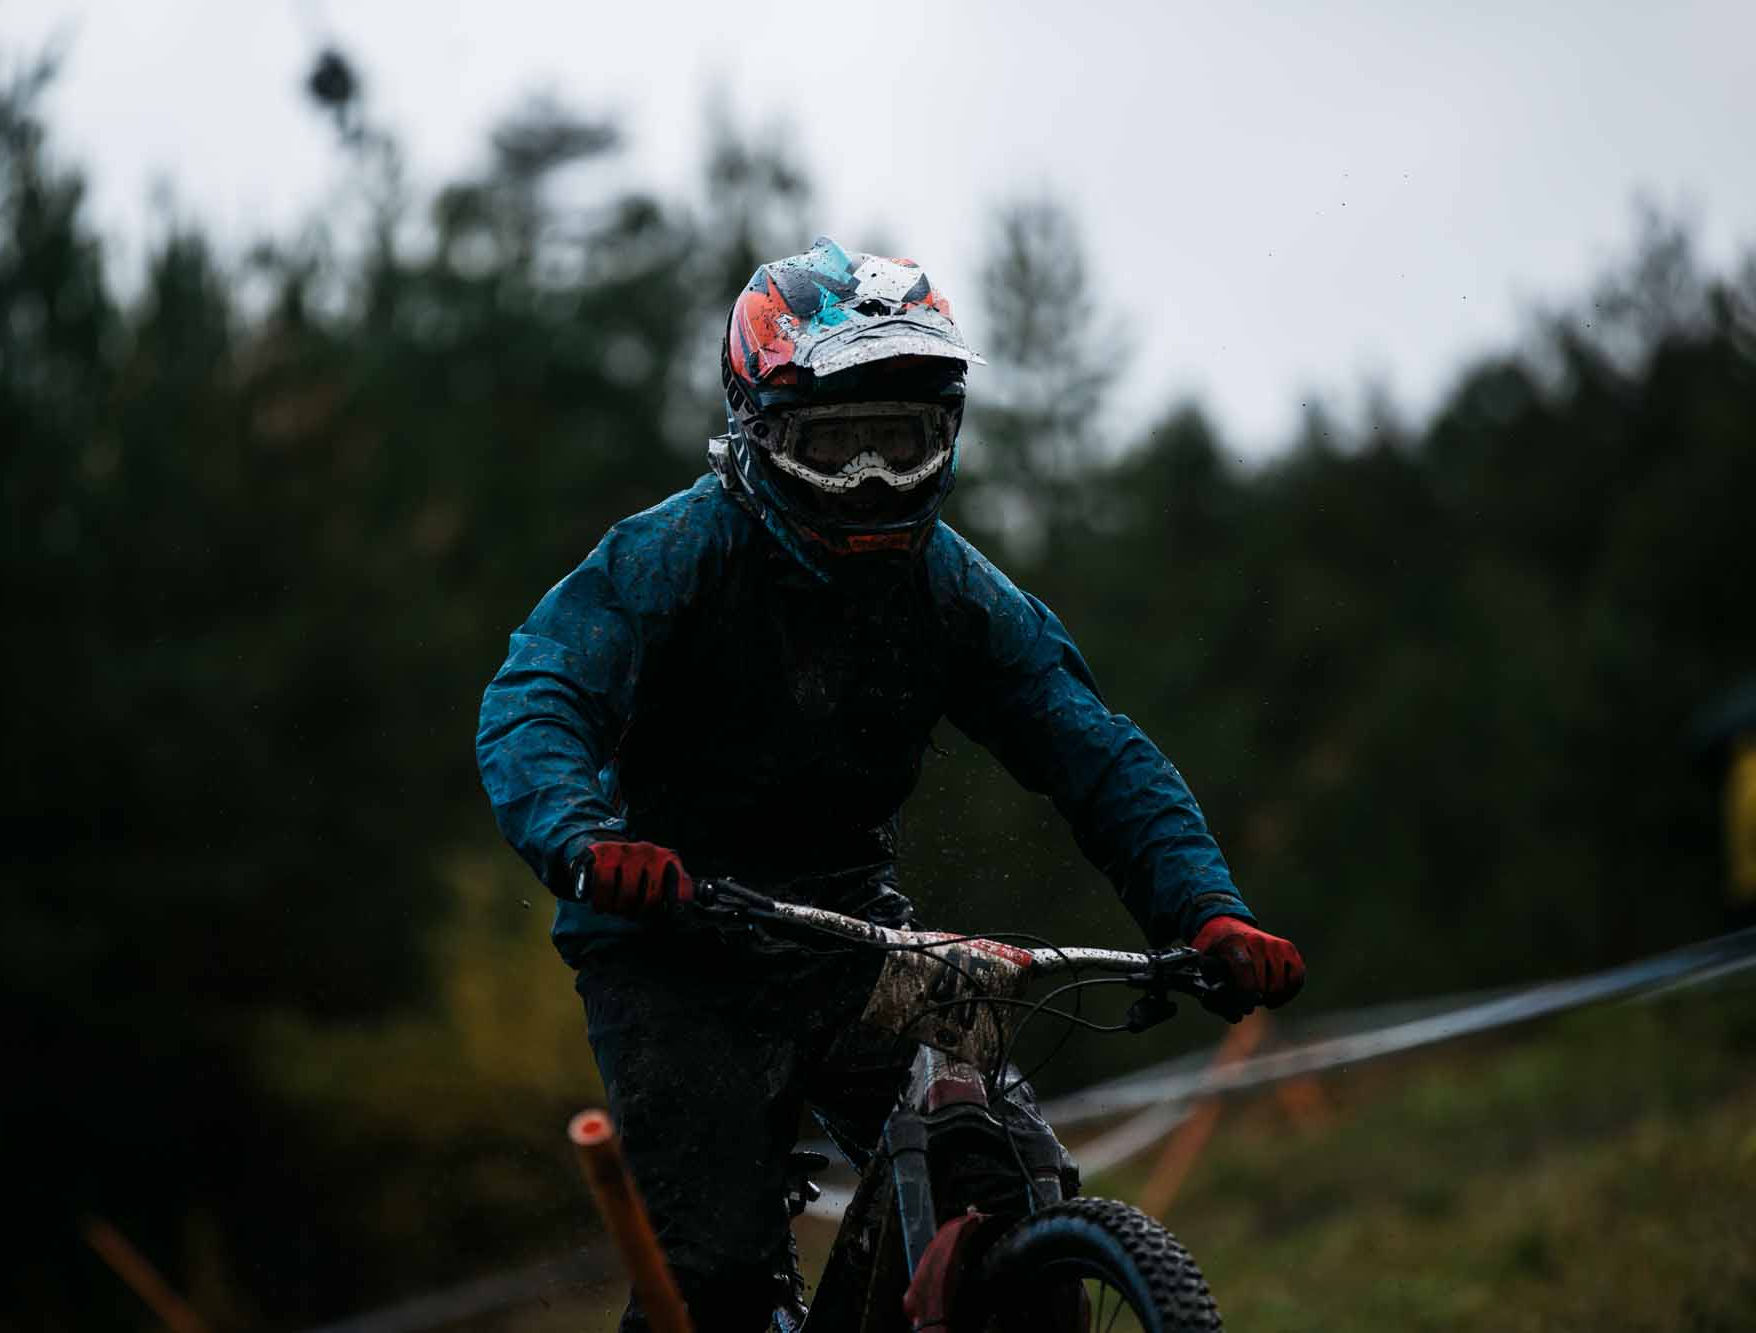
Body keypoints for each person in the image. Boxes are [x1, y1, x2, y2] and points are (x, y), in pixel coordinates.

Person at [476, 236, 1305, 1331]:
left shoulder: (954, 590)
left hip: (848, 925)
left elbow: (1096, 751)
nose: (871, 478)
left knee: (1005, 1177)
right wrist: (585, 838)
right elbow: (536, 694)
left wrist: (1204, 908)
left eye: (899, 441)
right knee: (712, 1267)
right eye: (838, 445)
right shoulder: (670, 553)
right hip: (669, 934)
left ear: (943, 436)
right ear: (760, 431)